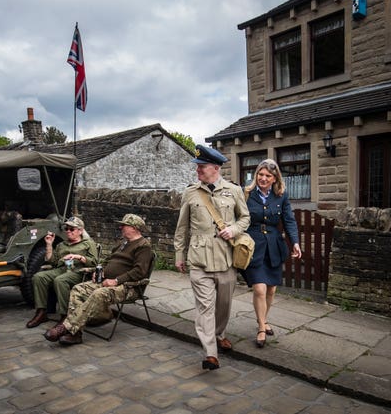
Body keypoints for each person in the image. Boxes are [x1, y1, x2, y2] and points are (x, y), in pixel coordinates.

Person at [174, 144, 250, 370]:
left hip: (226, 258)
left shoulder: (234, 191)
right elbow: (182, 227)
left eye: (202, 166)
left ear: (216, 167)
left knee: (223, 305)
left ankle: (219, 334)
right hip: (199, 259)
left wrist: (234, 230)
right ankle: (210, 353)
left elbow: (245, 219)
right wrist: (179, 254)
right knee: (204, 307)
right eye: (197, 166)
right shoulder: (190, 192)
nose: (197, 170)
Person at [43, 214, 153, 346]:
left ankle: (65, 327)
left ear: (135, 228)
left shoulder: (143, 246)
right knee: (78, 289)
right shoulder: (122, 243)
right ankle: (76, 334)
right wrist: (98, 271)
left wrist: (116, 280)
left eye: (124, 225)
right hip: (106, 281)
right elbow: (108, 261)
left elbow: (139, 272)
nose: (121, 227)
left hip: (127, 287)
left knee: (98, 293)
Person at [242, 158, 302, 348]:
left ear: (275, 178)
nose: (263, 178)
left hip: (274, 245)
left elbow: (289, 220)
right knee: (259, 288)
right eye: (260, 174)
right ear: (256, 175)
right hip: (253, 246)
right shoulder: (246, 194)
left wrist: (295, 242)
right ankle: (261, 327)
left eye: (268, 175)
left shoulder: (281, 195)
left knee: (271, 289)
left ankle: (264, 319)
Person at [26, 216, 98, 328]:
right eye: (67, 228)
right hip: (61, 269)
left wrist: (77, 256)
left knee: (60, 280)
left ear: (80, 231)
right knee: (38, 277)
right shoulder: (62, 245)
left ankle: (65, 316)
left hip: (79, 271)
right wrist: (49, 244)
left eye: (72, 229)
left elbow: (94, 262)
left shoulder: (88, 243)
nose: (68, 231)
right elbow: (52, 261)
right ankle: (41, 312)